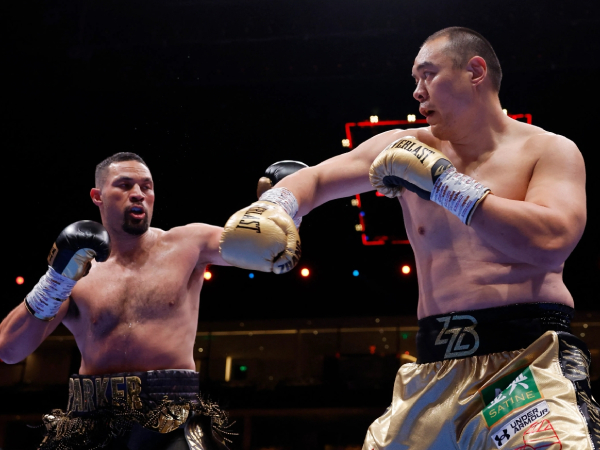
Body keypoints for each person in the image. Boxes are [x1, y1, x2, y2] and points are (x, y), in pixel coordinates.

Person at [220, 27, 599, 449]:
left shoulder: (548, 150)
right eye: (415, 80)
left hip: (526, 363)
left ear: (475, 71)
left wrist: (444, 185)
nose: (417, 92)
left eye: (428, 75)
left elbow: (552, 241)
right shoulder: (404, 146)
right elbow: (317, 178)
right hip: (432, 369)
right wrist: (274, 207)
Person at [0, 152, 235, 450]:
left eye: (146, 186)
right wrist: (56, 279)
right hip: (90, 426)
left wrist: (282, 209)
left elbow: (261, 243)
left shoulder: (188, 244)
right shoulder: (75, 272)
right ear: (97, 196)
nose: (138, 194)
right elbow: (9, 349)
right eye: (124, 185)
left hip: (172, 423)